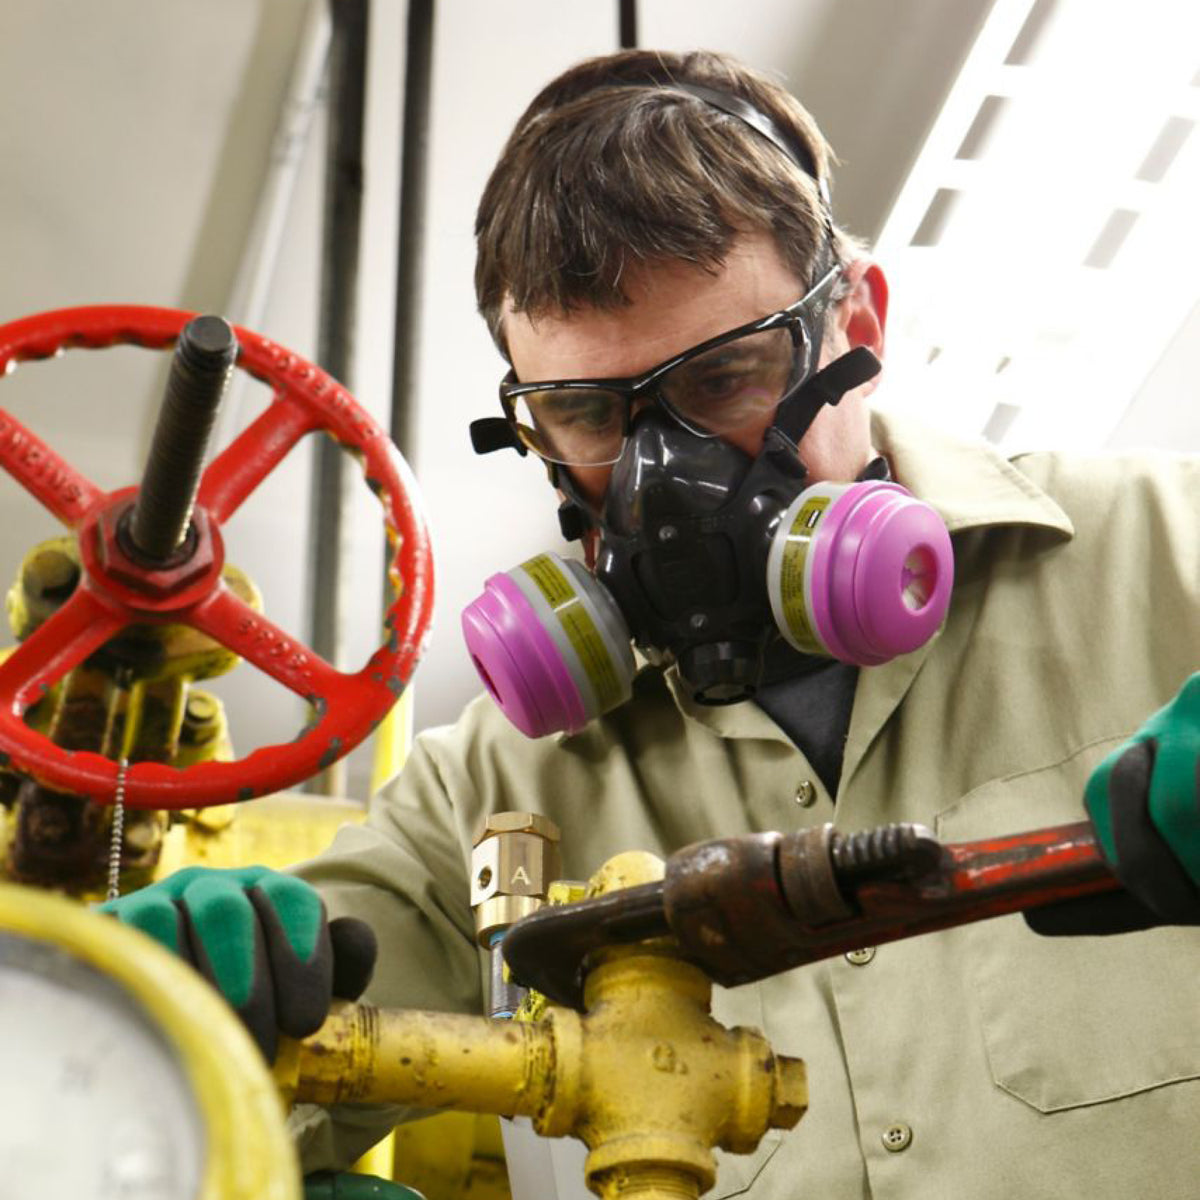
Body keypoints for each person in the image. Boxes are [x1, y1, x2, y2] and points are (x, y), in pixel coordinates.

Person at [104, 49, 1199, 1198]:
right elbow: (160, 1114)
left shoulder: (1167, 556)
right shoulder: (484, 796)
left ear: (859, 324)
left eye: (726, 378)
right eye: (588, 414)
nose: (665, 480)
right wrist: (155, 1010)